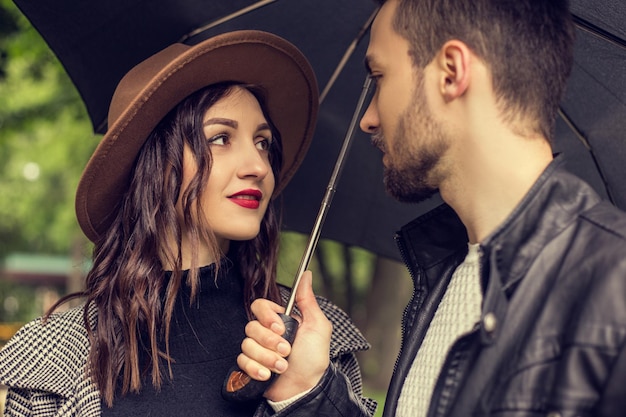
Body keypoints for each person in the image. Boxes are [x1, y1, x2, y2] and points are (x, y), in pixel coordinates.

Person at [0, 30, 376, 417]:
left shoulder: (311, 341)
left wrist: (308, 395)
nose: (258, 167)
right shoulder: (56, 357)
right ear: (155, 166)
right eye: (221, 138)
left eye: (262, 142)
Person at [354, 0, 626, 416]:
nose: (368, 119)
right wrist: (310, 393)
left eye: (379, 75)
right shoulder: (442, 279)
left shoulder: (615, 289)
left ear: (451, 72)